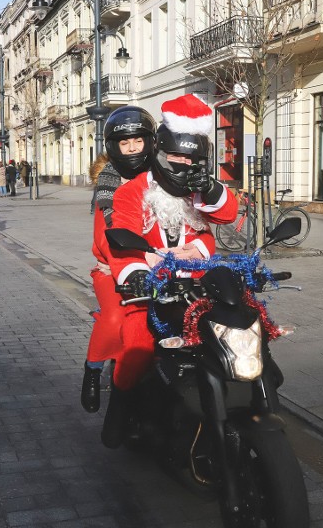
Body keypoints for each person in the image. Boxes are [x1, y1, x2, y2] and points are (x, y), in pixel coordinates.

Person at [102, 94, 237, 447]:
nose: (183, 164)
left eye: (193, 159)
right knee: (138, 346)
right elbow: (123, 240)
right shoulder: (132, 192)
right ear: (159, 153)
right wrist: (134, 273)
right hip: (150, 291)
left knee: (241, 327)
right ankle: (119, 408)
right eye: (176, 156)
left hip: (198, 287)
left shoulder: (199, 189)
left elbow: (226, 215)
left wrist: (211, 189)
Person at [81, 105, 156, 414]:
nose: (132, 148)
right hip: (113, 270)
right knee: (114, 320)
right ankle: (92, 370)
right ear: (114, 147)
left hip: (161, 268)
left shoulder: (161, 178)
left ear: (149, 141)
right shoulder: (109, 186)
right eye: (125, 143)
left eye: (137, 141)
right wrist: (130, 263)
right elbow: (104, 238)